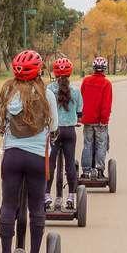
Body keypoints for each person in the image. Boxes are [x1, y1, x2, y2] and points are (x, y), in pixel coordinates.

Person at [0, 50, 59, 253]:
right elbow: (54, 126)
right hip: (37, 158)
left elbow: (1, 124)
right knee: (37, 207)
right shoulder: (47, 95)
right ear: (39, 71)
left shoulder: (8, 93)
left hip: (12, 156)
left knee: (8, 205)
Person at [46, 56, 82, 210]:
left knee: (50, 163)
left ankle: (46, 195)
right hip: (69, 131)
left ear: (54, 73)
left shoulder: (49, 90)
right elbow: (80, 112)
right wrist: (75, 118)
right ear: (70, 73)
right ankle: (71, 196)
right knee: (70, 164)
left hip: (54, 131)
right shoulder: (76, 91)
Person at [79, 56, 113, 178]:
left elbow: (81, 99)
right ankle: (99, 170)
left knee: (87, 144)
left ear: (94, 68)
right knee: (101, 145)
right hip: (100, 122)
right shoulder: (106, 84)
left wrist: (81, 115)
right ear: (104, 69)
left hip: (87, 120)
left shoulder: (86, 81)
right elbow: (106, 104)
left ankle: (86, 171)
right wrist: (104, 120)